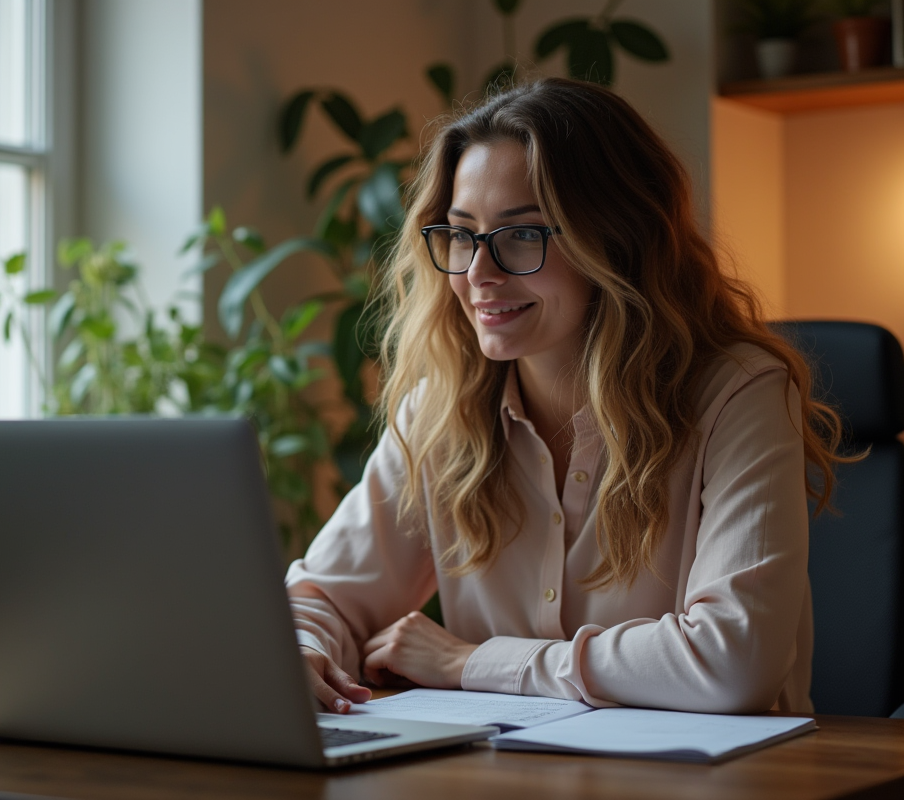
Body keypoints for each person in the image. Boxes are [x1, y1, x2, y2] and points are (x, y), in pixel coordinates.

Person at [286, 78, 846, 717]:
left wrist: (470, 661)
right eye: (463, 234)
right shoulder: (439, 412)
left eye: (522, 235)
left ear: (615, 239)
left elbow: (732, 662)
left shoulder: (736, 395)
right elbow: (321, 595)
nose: (477, 275)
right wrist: (301, 648)